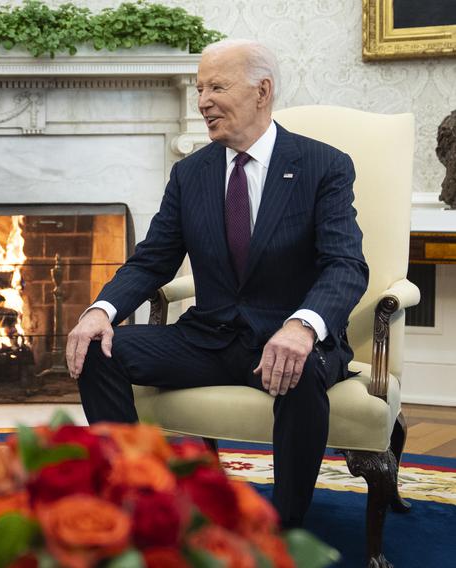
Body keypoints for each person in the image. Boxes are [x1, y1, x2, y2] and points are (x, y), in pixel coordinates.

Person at [66, 38, 368, 528]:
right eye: (199, 87)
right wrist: (100, 311)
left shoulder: (322, 166)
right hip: (208, 338)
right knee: (100, 351)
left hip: (287, 339)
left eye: (217, 87)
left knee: (302, 369)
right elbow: (151, 263)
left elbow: (345, 265)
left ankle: (287, 527)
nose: (202, 100)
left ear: (262, 91)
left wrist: (303, 326)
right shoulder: (191, 174)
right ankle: (132, 503)